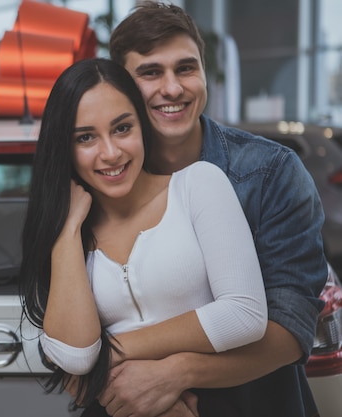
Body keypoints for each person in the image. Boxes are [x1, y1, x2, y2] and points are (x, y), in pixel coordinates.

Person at [98, 2, 329, 416]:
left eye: (186, 68)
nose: (173, 88)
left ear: (205, 73)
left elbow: (291, 329)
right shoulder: (103, 182)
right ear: (122, 87)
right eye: (151, 72)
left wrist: (177, 372)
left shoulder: (271, 173)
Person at [18, 57, 269, 416]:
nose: (110, 152)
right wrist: (68, 228)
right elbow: (75, 355)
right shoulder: (68, 233)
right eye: (86, 137)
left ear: (142, 126)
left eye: (122, 128)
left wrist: (115, 353)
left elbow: (244, 315)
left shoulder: (197, 185)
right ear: (65, 149)